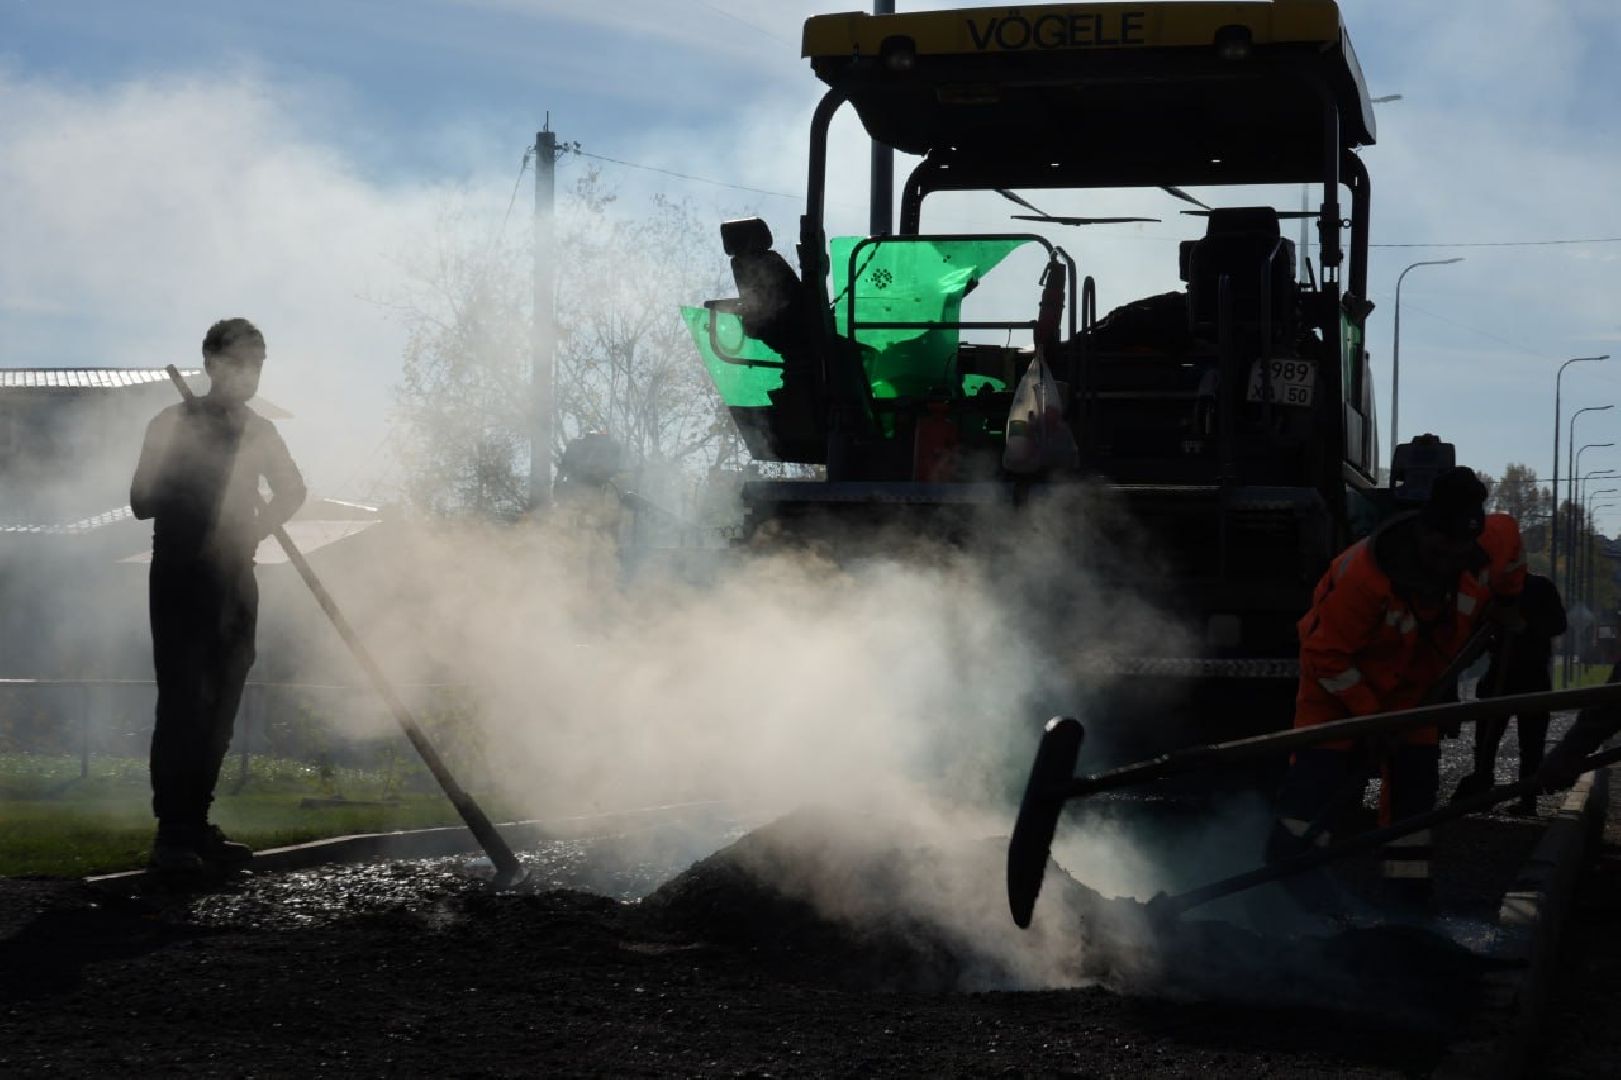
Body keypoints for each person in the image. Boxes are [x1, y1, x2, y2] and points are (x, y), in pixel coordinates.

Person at [1266, 467, 1526, 909]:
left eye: (1457, 553)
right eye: (1440, 550)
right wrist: (1371, 717)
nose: (1447, 562)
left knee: (1413, 804)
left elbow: (1512, 551)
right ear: (1424, 531)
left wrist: (1507, 602)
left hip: (1413, 696)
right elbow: (1325, 655)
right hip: (1337, 696)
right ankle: (1300, 894)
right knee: (1311, 800)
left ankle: (1407, 902)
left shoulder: (1489, 545)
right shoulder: (1364, 577)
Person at [130, 318, 306, 873]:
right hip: (181, 577)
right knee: (184, 700)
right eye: (237, 362)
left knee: (221, 706)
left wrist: (256, 528)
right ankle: (173, 835)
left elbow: (294, 490)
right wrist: (188, 464)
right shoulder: (172, 422)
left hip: (235, 577)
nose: (247, 373)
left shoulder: (259, 431)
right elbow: (140, 501)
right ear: (209, 364)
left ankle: (197, 822)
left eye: (257, 363)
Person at [1452, 573, 1566, 813]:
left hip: (1532, 676)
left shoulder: (1540, 587)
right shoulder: (1490, 589)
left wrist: (1523, 624)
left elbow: (1558, 624)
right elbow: (1476, 635)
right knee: (1485, 741)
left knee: (1531, 744)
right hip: (1497, 680)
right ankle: (1482, 789)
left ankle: (1527, 799)